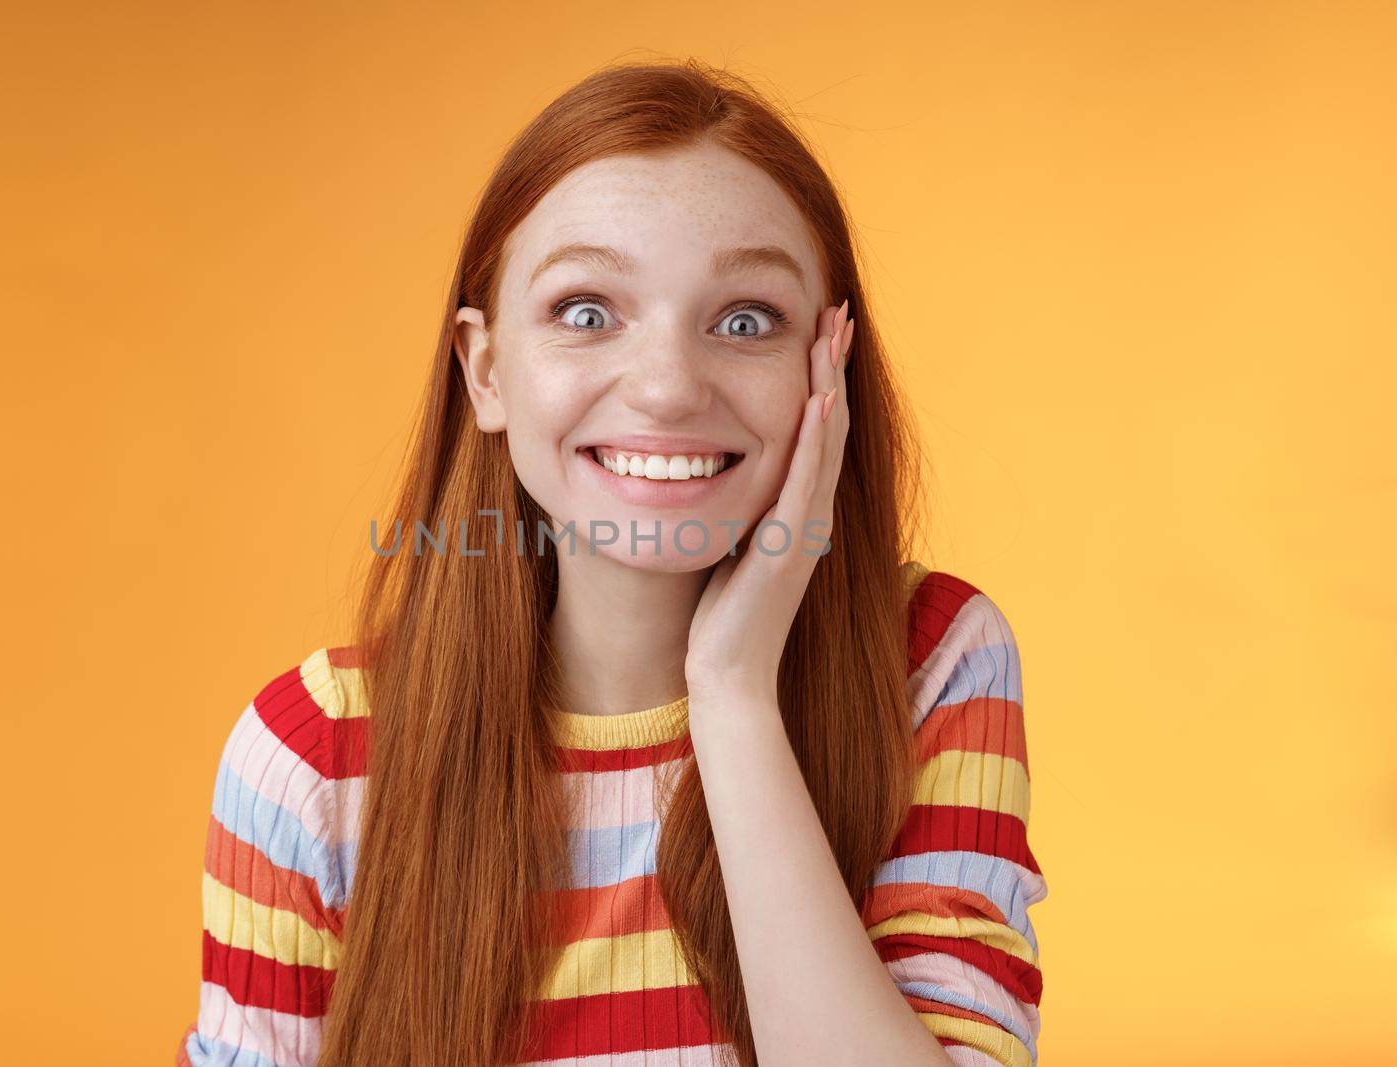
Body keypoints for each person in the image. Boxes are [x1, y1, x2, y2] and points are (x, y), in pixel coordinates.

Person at [178, 59, 1045, 1067]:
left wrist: (731, 695)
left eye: (744, 319)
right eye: (587, 311)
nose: (669, 388)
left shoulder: (932, 664)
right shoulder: (311, 756)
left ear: (829, 361)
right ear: (487, 368)